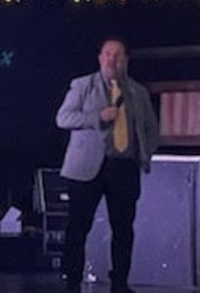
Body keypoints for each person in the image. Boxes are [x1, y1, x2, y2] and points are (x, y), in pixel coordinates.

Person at [56, 36, 160, 293]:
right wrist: (96, 117)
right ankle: (72, 281)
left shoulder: (138, 92)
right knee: (78, 226)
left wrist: (144, 151)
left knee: (123, 229)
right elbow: (63, 118)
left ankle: (120, 282)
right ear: (100, 57)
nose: (112, 59)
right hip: (87, 168)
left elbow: (151, 128)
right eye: (108, 54)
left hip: (123, 166)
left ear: (125, 59)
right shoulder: (82, 86)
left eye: (118, 55)